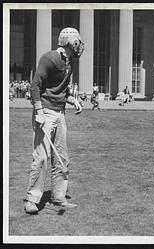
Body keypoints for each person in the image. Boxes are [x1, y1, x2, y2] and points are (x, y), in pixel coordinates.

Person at [24, 27, 84, 214]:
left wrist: (73, 100)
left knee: (61, 157)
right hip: (45, 113)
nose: (80, 46)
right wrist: (39, 112)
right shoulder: (49, 59)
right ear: (69, 42)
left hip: (60, 113)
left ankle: (58, 198)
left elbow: (61, 90)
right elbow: (35, 86)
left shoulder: (69, 63)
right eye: (78, 42)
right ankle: (32, 200)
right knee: (41, 157)